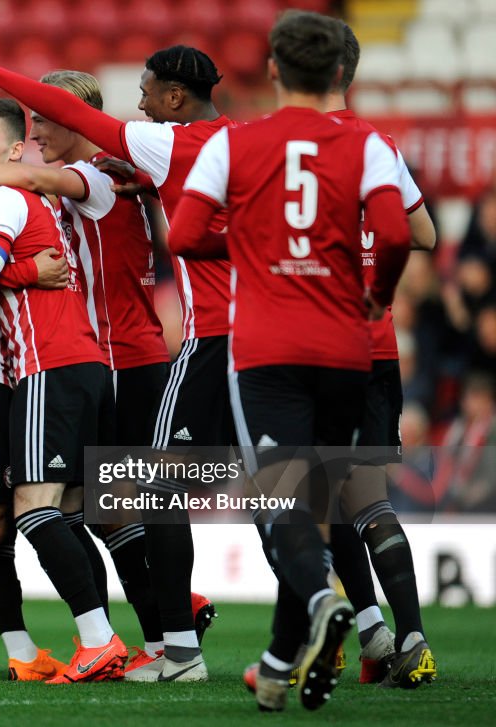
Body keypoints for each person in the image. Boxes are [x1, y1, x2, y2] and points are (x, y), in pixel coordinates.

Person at [0, 44, 230, 683]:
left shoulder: (94, 178)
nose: (35, 137)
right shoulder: (120, 179)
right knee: (91, 506)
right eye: (30, 128)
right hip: (106, 357)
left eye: (43, 123)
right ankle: (156, 630)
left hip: (122, 359)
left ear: (77, 119)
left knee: (116, 504)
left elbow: (32, 183)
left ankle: (166, 633)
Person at [168, 10, 411, 711]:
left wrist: (252, 243)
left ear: (273, 70)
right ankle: (278, 664)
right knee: (319, 496)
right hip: (345, 347)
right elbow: (395, 231)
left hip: (267, 347)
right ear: (340, 72)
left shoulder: (235, 144)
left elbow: (184, 234)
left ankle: (320, 599)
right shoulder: (368, 143)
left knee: (279, 497)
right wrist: (377, 294)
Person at [0, 96, 127, 683]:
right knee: (71, 514)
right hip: (87, 365)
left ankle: (100, 640)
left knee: (31, 509)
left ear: (15, 150)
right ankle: (100, 643)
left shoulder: (0, 198)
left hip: (49, 367)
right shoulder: (41, 198)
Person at [322, 19, 437, 690]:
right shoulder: (377, 146)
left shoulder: (280, 146)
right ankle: (403, 635)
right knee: (366, 497)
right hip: (375, 344)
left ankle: (353, 630)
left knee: (313, 489)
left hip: (307, 347)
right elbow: (420, 232)